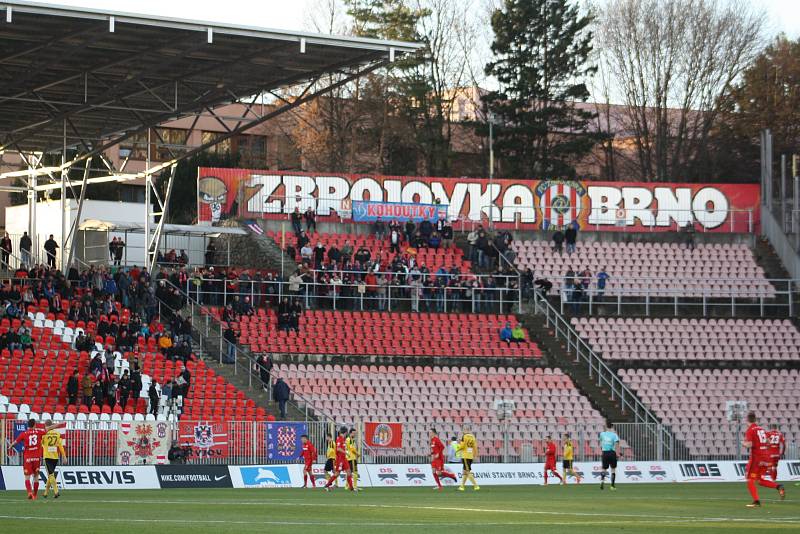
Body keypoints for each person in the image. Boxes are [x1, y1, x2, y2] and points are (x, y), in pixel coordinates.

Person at [10, 419, 61, 499]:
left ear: (28, 425)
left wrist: (10, 446)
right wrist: (58, 424)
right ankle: (35, 495)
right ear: (34, 425)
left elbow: (16, 442)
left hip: (27, 458)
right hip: (36, 458)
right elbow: (49, 428)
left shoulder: (24, 434)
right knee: (36, 477)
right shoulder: (38, 432)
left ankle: (29, 492)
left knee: (27, 477)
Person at [743, 412, 785, 507]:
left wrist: (744, 443)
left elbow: (749, 444)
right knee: (760, 480)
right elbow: (769, 441)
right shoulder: (761, 429)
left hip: (756, 459)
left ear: (747, 420)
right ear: (755, 419)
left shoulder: (750, 430)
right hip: (766, 457)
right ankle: (778, 486)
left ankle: (756, 501)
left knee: (750, 479)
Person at [42, 422, 67, 499]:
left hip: (47, 456)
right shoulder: (58, 434)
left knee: (50, 475)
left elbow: (41, 443)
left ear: (47, 426)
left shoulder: (44, 434)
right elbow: (60, 446)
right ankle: (45, 492)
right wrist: (64, 456)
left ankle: (56, 491)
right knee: (51, 475)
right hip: (55, 457)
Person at [324, 427, 354, 491]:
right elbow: (338, 449)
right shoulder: (339, 439)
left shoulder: (343, 439)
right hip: (340, 459)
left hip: (344, 459)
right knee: (337, 474)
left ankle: (351, 488)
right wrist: (346, 452)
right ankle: (327, 485)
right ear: (346, 432)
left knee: (349, 472)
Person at [599, 422, 619, 491]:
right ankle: (612, 486)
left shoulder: (602, 434)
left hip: (605, 453)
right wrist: (617, 453)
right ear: (612, 427)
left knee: (604, 469)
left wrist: (602, 448)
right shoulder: (614, 435)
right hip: (612, 452)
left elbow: (601, 443)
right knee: (613, 469)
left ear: (606, 427)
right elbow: (616, 444)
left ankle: (602, 481)